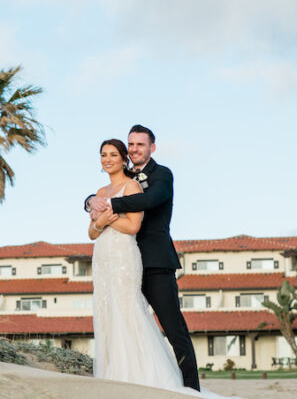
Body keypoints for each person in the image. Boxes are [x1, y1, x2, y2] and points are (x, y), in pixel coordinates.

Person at [86, 125, 201, 392]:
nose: (135, 149)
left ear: (152, 147)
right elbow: (105, 191)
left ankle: (192, 390)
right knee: (123, 323)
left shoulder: (162, 175)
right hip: (120, 264)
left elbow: (149, 200)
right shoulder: (122, 178)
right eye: (132, 145)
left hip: (155, 264)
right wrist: (91, 199)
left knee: (175, 330)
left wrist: (108, 206)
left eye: (140, 144)